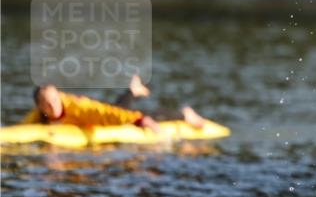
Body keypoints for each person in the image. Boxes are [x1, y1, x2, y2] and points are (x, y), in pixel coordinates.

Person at [23, 75, 205, 131]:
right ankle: (133, 90)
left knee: (137, 115)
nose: (52, 106)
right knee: (118, 108)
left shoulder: (79, 108)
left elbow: (108, 113)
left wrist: (140, 120)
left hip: (100, 117)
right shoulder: (38, 113)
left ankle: (185, 114)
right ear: (39, 106)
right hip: (107, 113)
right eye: (46, 103)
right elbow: (22, 129)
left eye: (54, 99)